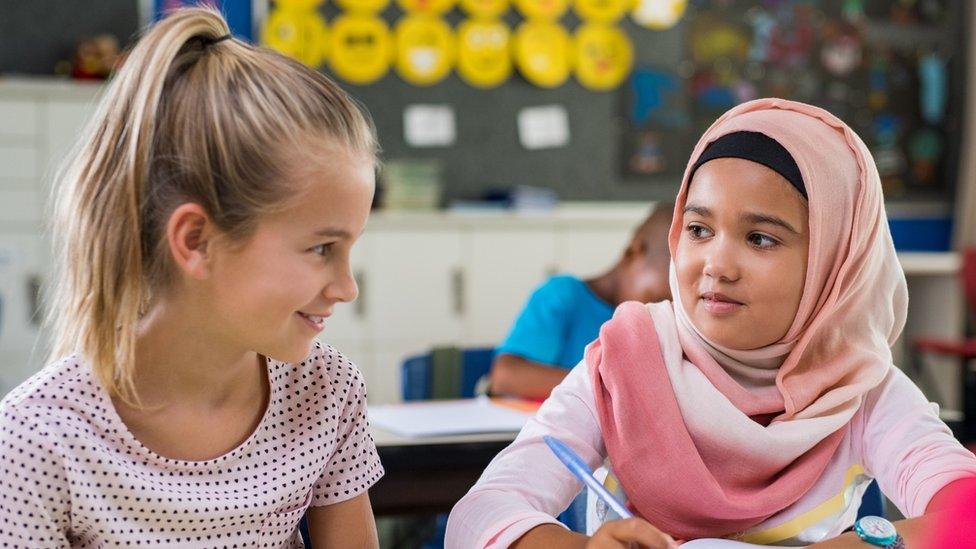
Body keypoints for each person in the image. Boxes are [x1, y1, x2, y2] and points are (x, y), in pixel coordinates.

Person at [446, 98, 976, 548]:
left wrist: (873, 541)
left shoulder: (860, 389)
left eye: (760, 239)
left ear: (834, 264)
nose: (715, 265)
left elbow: (965, 515)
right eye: (699, 229)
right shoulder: (623, 364)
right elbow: (478, 515)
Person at [0, 8, 383, 547]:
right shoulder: (35, 439)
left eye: (349, 249)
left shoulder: (326, 390)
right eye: (322, 248)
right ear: (196, 241)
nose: (347, 287)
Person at [489, 206, 673, 400]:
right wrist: (609, 386)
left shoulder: (656, 325)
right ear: (633, 252)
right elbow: (505, 376)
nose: (659, 311)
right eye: (657, 298)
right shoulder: (563, 296)